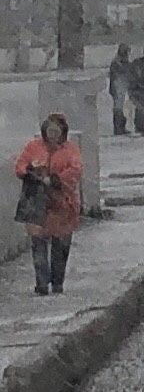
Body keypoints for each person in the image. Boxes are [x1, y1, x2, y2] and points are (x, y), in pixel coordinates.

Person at [14, 113, 83, 296]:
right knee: (38, 244)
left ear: (63, 132)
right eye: (49, 130)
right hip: (37, 203)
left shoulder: (70, 150)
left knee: (61, 246)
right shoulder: (33, 147)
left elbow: (75, 170)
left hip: (62, 204)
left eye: (56, 131)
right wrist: (30, 173)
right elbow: (20, 165)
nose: (52, 135)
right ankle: (42, 283)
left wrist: (55, 180)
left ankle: (57, 282)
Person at [108, 43, 132, 135]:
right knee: (119, 108)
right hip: (118, 87)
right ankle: (118, 128)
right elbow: (118, 75)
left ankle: (120, 127)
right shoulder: (118, 62)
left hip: (121, 87)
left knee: (121, 108)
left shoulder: (119, 61)